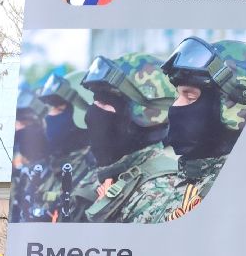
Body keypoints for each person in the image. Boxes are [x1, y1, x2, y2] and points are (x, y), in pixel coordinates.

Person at [61, 52, 179, 224]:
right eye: (95, 102)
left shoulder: (161, 196)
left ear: (145, 117)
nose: (91, 114)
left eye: (105, 103)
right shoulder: (102, 176)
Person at [160, 37, 246, 217]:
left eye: (190, 97)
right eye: (178, 95)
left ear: (237, 106)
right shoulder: (187, 180)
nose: (175, 107)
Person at [33, 70, 96, 222]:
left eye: (58, 109)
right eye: (49, 109)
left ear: (80, 118)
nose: (49, 117)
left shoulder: (94, 173)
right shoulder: (48, 167)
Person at [10, 85, 51, 223]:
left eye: (24, 123)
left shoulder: (50, 172)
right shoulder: (15, 171)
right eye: (18, 122)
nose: (19, 128)